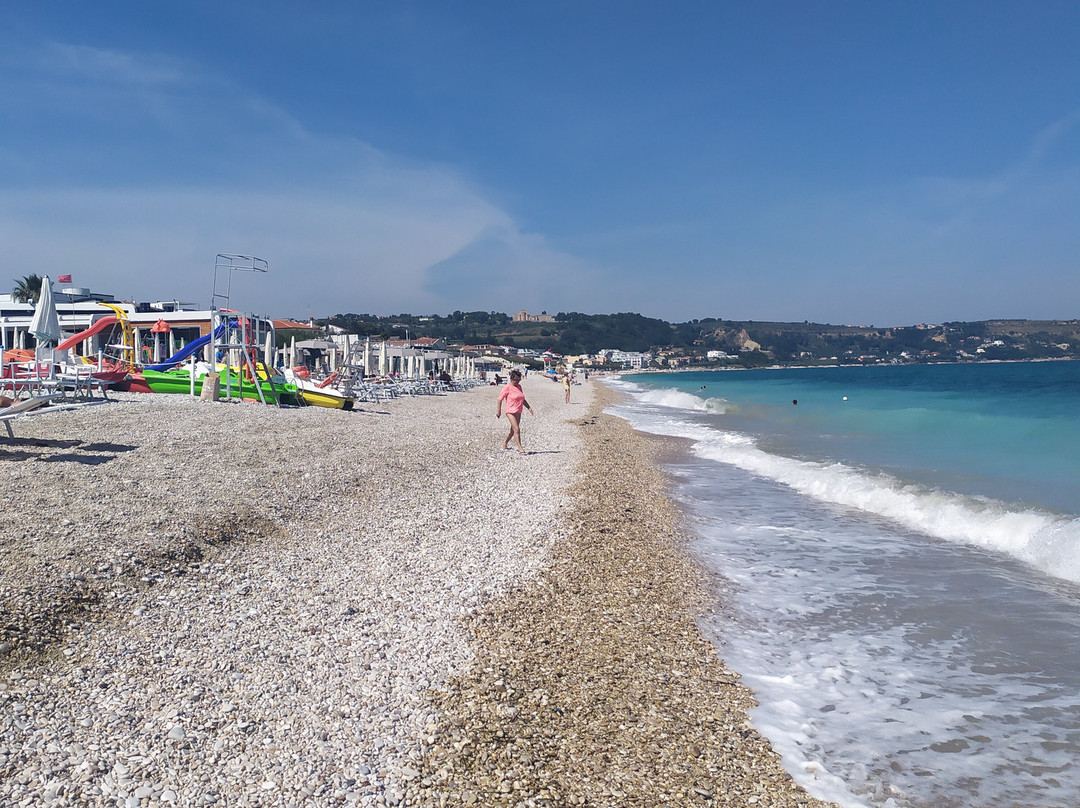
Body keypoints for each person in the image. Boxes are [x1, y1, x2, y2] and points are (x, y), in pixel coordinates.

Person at [496, 369, 534, 454]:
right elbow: (499, 400)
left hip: (518, 410)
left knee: (513, 430)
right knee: (517, 428)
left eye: (519, 380)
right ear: (512, 379)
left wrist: (529, 408)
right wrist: (499, 411)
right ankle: (520, 448)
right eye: (516, 380)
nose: (518, 381)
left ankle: (505, 443)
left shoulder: (519, 387)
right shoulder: (507, 388)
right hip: (509, 410)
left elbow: (522, 399)